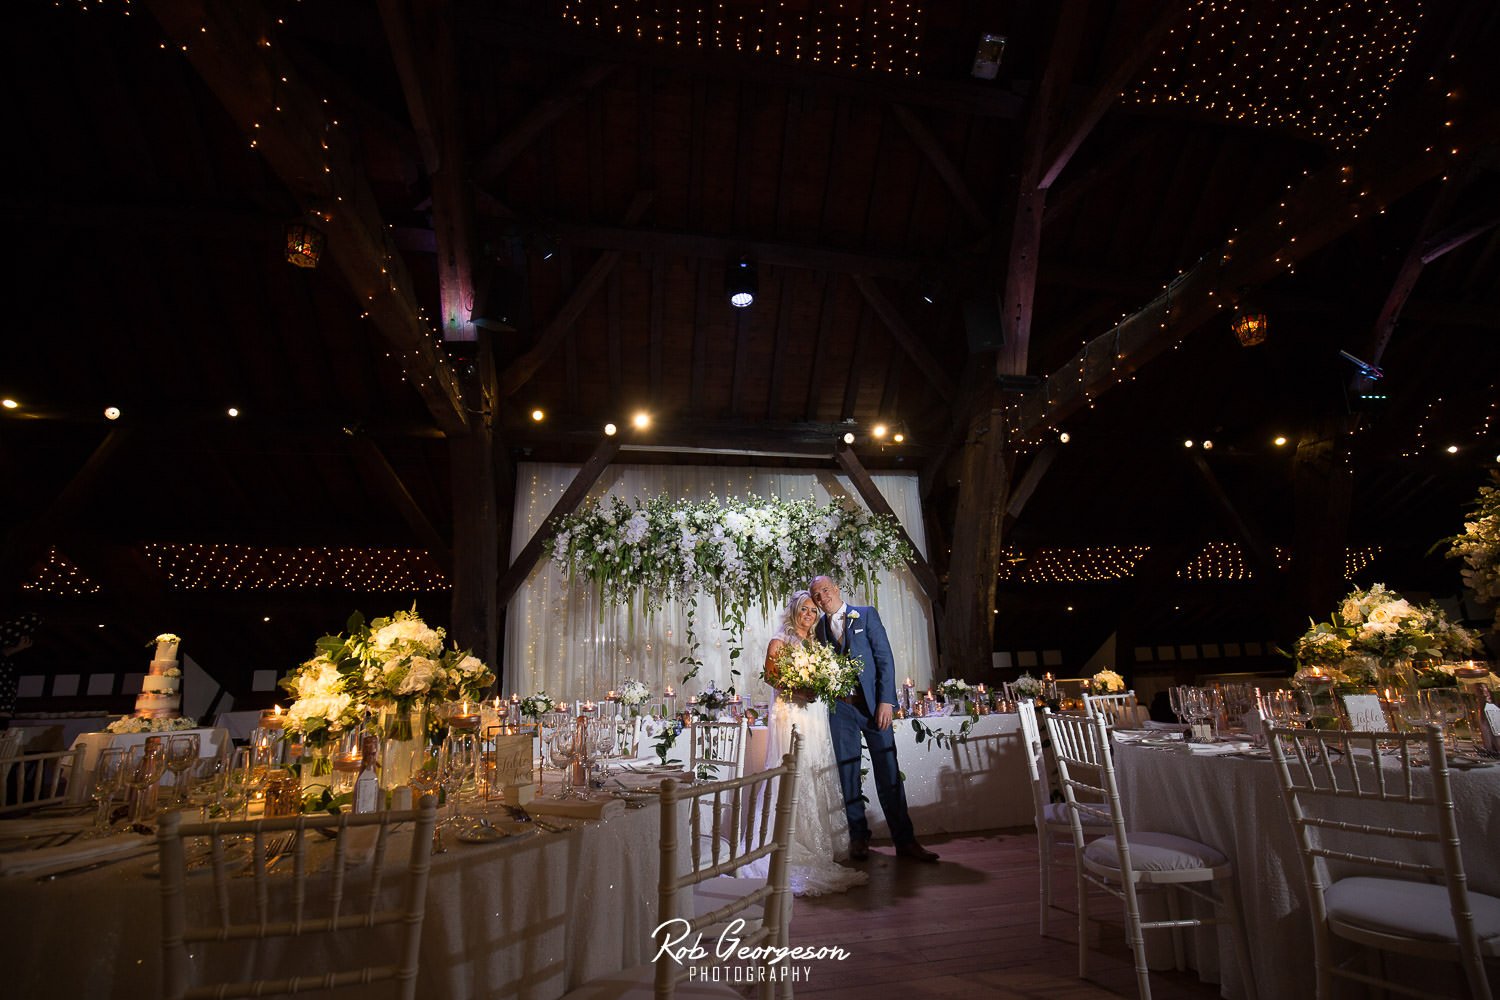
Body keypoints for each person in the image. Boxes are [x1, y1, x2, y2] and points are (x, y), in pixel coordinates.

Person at [810, 574, 938, 862]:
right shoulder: (819, 629)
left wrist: (885, 701)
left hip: (872, 707)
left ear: (837, 589)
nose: (822, 597)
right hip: (840, 710)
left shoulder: (865, 615)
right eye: (816, 595)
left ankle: (905, 841)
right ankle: (858, 838)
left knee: (888, 772)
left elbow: (884, 658)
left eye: (825, 590)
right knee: (848, 773)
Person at [757, 590, 869, 896]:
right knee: (796, 768)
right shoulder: (779, 640)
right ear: (793, 612)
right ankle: (790, 841)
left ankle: (822, 840)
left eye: (812, 611)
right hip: (791, 712)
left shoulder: (816, 643)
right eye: (804, 610)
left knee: (818, 765)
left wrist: (822, 684)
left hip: (815, 713)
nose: (809, 614)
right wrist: (797, 690)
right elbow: (770, 676)